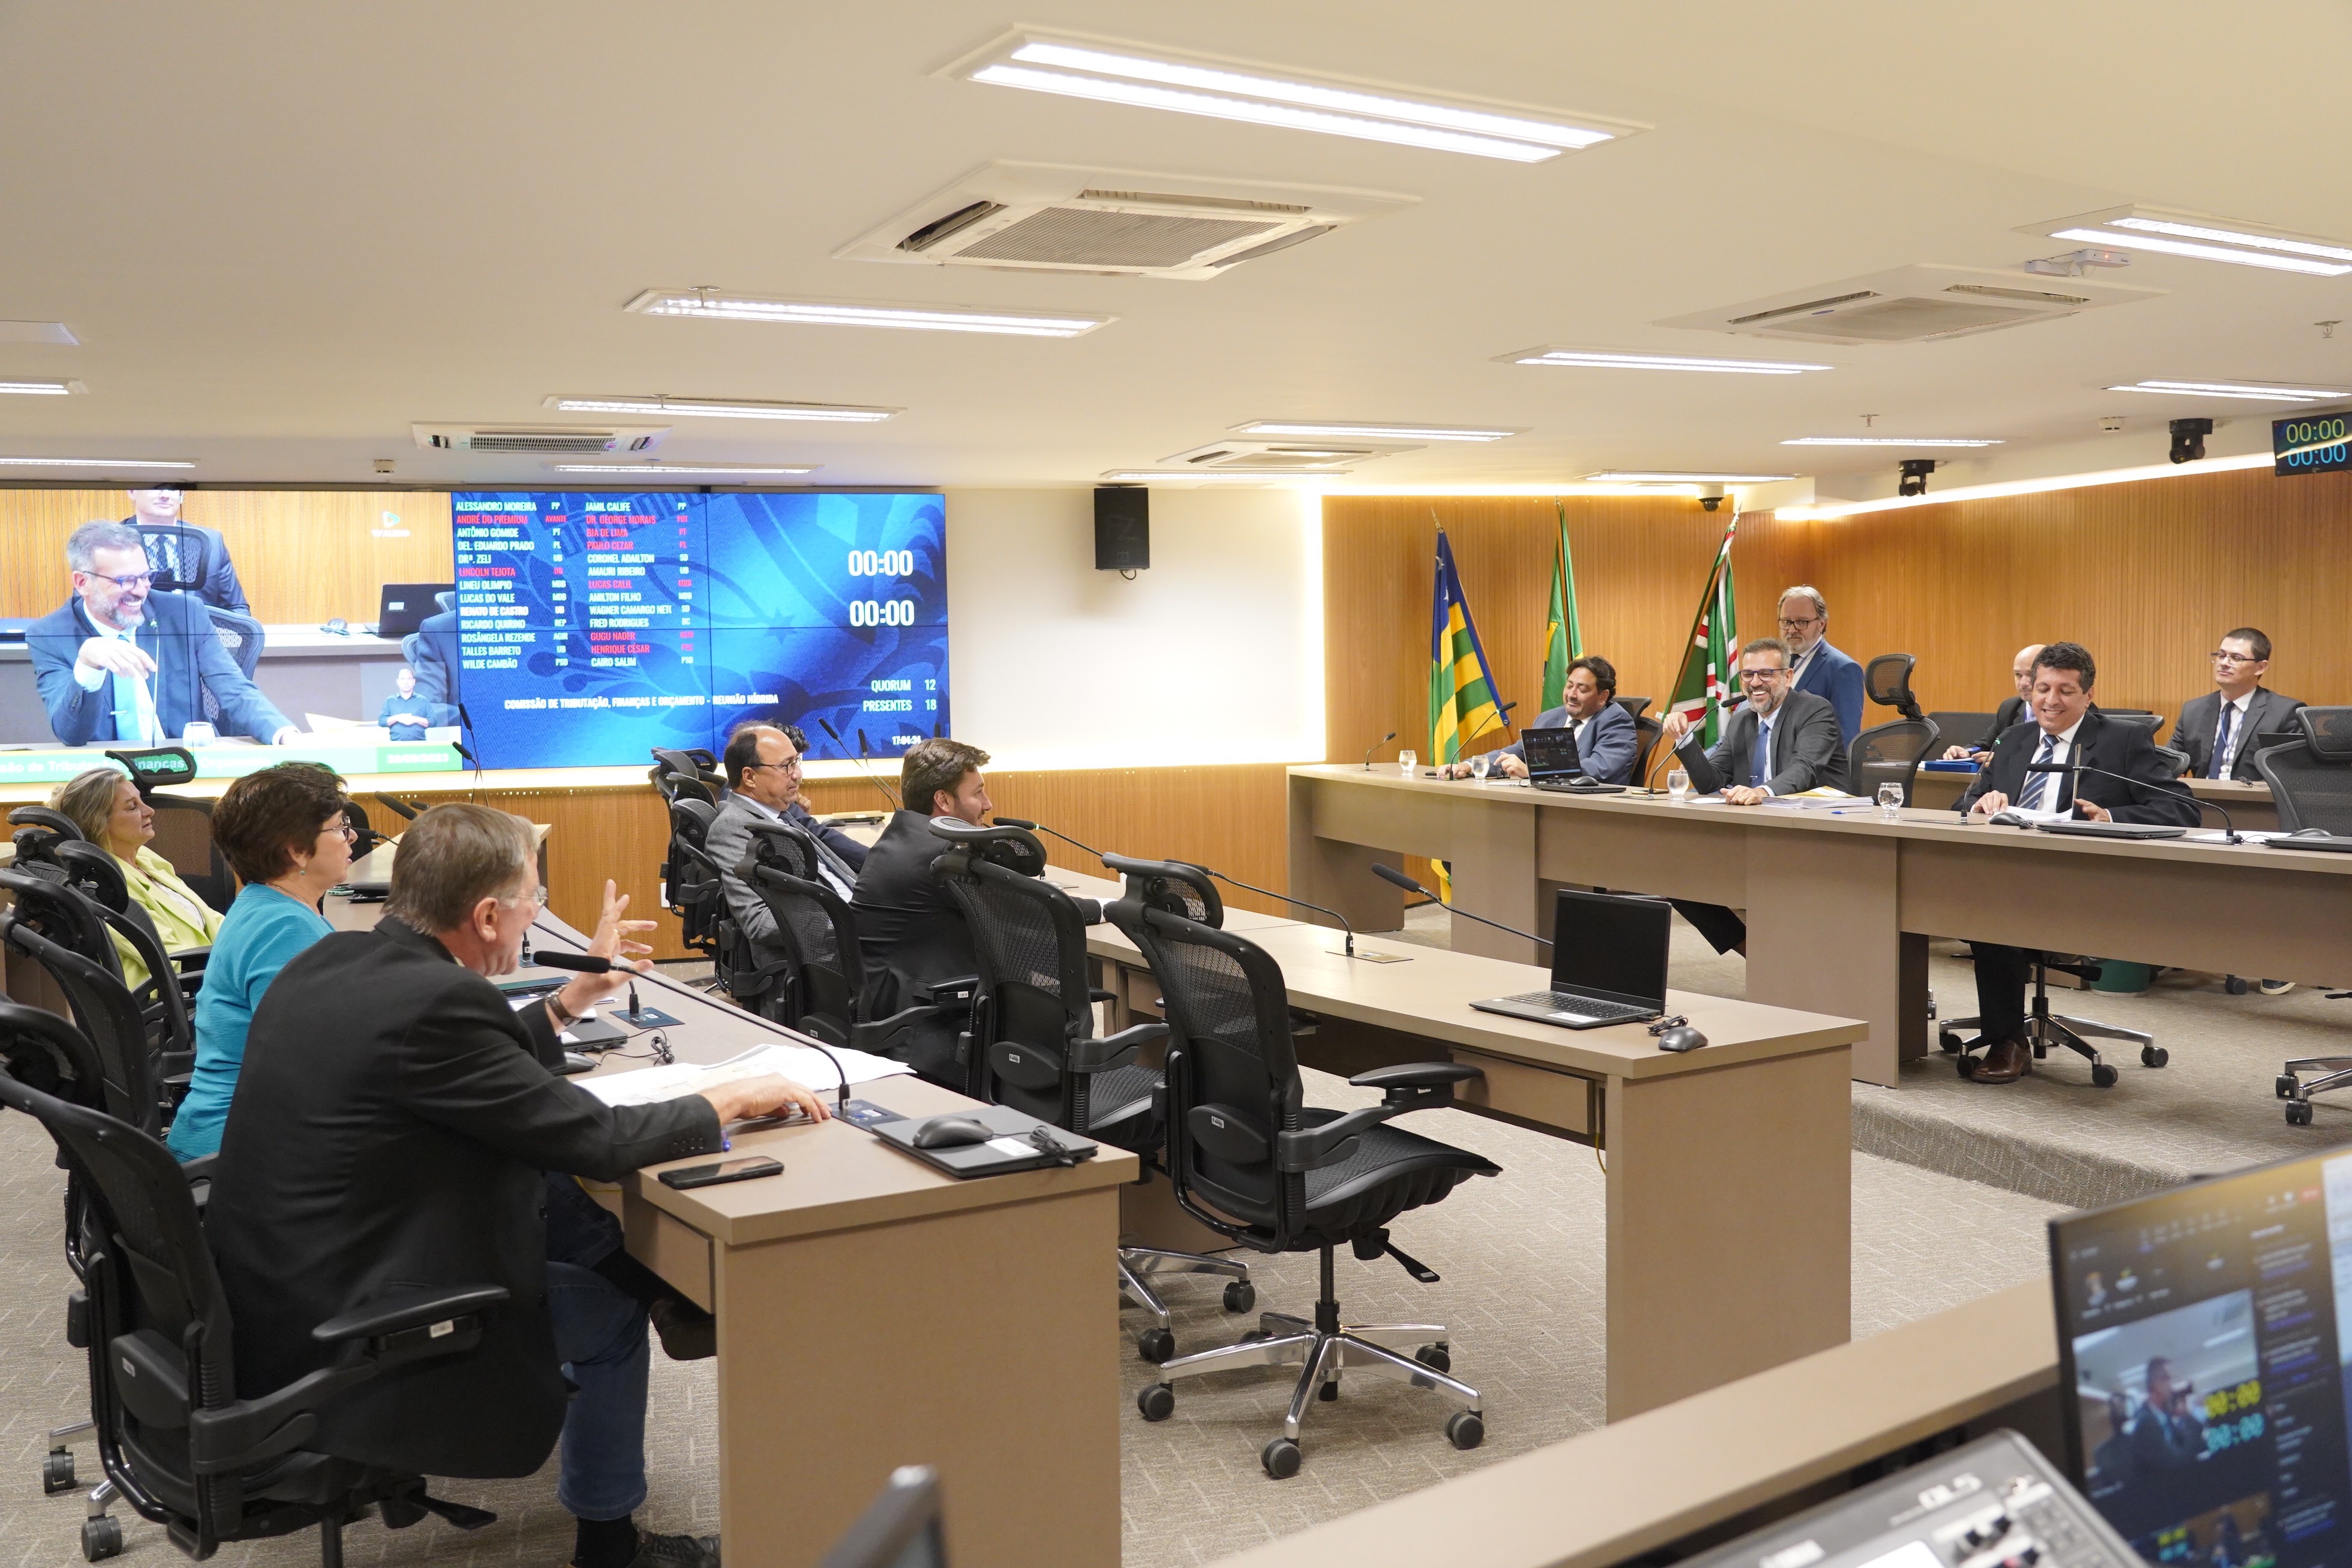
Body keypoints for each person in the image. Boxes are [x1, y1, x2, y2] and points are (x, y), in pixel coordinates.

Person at [204, 804, 827, 1568]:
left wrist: (571, 999)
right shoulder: (441, 1002)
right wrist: (729, 1098)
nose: (537, 913)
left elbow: (464, 1067)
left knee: (554, 1194)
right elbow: (597, 1141)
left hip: (274, 1287)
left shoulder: (338, 958)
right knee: (607, 1310)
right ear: (488, 915)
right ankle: (611, 1545)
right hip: (350, 1321)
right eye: (534, 898)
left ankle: (661, 1284)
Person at [1955, 642, 2197, 1083]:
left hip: (2086, 882)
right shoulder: (2015, 739)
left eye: (2065, 691)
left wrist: (2110, 817)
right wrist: (1979, 805)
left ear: (2088, 695)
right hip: (2011, 875)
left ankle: (2007, 1041)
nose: (2051, 701)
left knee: (1992, 908)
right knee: (1978, 898)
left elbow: (2181, 809)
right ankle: (2006, 1037)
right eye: (2042, 689)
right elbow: (1962, 804)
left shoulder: (2123, 740)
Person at [164, 764, 354, 1159]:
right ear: (297, 850)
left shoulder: (266, 903)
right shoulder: (284, 926)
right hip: (245, 1152)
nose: (351, 836)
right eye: (340, 826)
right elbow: (309, 1064)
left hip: (240, 1136)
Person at [27, 520, 299, 746]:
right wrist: (88, 666)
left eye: (145, 576)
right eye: (125, 581)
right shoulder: (49, 635)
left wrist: (286, 735)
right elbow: (71, 734)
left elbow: (235, 689)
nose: (140, 590)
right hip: (105, 777)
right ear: (82, 582)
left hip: (184, 764)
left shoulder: (184, 614)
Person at [1656, 638, 1847, 956]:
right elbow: (1711, 781)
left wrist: (1761, 792)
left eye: (1766, 674)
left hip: (1818, 834)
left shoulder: (1813, 710)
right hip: (1762, 833)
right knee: (1678, 876)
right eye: (1747, 675)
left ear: (1788, 676)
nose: (1755, 683)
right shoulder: (1742, 720)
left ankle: (1783, 961)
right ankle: (1757, 953)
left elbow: (1805, 769)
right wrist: (1684, 739)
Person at [851, 737, 991, 1084]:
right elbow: (1030, 909)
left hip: (885, 1006)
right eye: (978, 793)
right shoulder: (943, 856)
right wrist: (1104, 908)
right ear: (943, 800)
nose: (988, 804)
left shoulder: (901, 835)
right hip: (924, 1030)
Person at [48, 765, 225, 990]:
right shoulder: (103, 887)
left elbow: (211, 919)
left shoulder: (146, 861)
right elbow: (171, 960)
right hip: (183, 993)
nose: (149, 811)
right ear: (98, 823)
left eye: (141, 801)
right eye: (132, 807)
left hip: (211, 974)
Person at [706, 724, 859, 957]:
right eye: (786, 766)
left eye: (797, 762)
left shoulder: (778, 812)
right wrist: (846, 923)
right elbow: (759, 922)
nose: (798, 774)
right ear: (750, 777)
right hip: (829, 952)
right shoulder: (734, 827)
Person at [1446, 656, 1637, 784]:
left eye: (1582, 689)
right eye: (1569, 686)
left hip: (1595, 813)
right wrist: (1469, 766)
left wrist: (1533, 772)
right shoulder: (1550, 718)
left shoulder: (1617, 722)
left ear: (1603, 697)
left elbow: (1596, 769)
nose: (1572, 695)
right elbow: (1517, 752)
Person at [2176, 627, 2304, 782]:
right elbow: (2169, 764)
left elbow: (2294, 776)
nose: (2224, 663)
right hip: (2201, 795)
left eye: (2236, 658)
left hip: (2253, 796)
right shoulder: (2193, 710)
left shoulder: (2285, 713)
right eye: (2221, 655)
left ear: (2260, 668)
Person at [121, 485, 249, 613]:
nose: (165, 495)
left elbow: (237, 609)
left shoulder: (211, 542)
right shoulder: (112, 542)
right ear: (132, 491)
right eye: (156, 488)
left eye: (173, 488)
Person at [1776, 585, 1864, 745]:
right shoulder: (1774, 664)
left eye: (1801, 622)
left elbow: (1845, 739)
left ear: (1821, 624)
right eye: (1786, 622)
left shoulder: (1843, 669)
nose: (1792, 630)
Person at [1944, 644, 2045, 761]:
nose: (2023, 683)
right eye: (2018, 675)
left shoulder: (2058, 711)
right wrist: (1965, 752)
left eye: (2030, 675)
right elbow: (1988, 745)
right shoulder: (2010, 708)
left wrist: (2004, 761)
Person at [376, 664, 436, 736]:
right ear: (398, 682)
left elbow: (433, 722)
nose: (406, 682)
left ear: (414, 682)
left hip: (419, 742)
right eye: (403, 679)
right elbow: (382, 721)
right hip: (396, 742)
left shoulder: (423, 700)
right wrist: (398, 718)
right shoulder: (390, 701)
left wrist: (416, 719)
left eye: (409, 679)